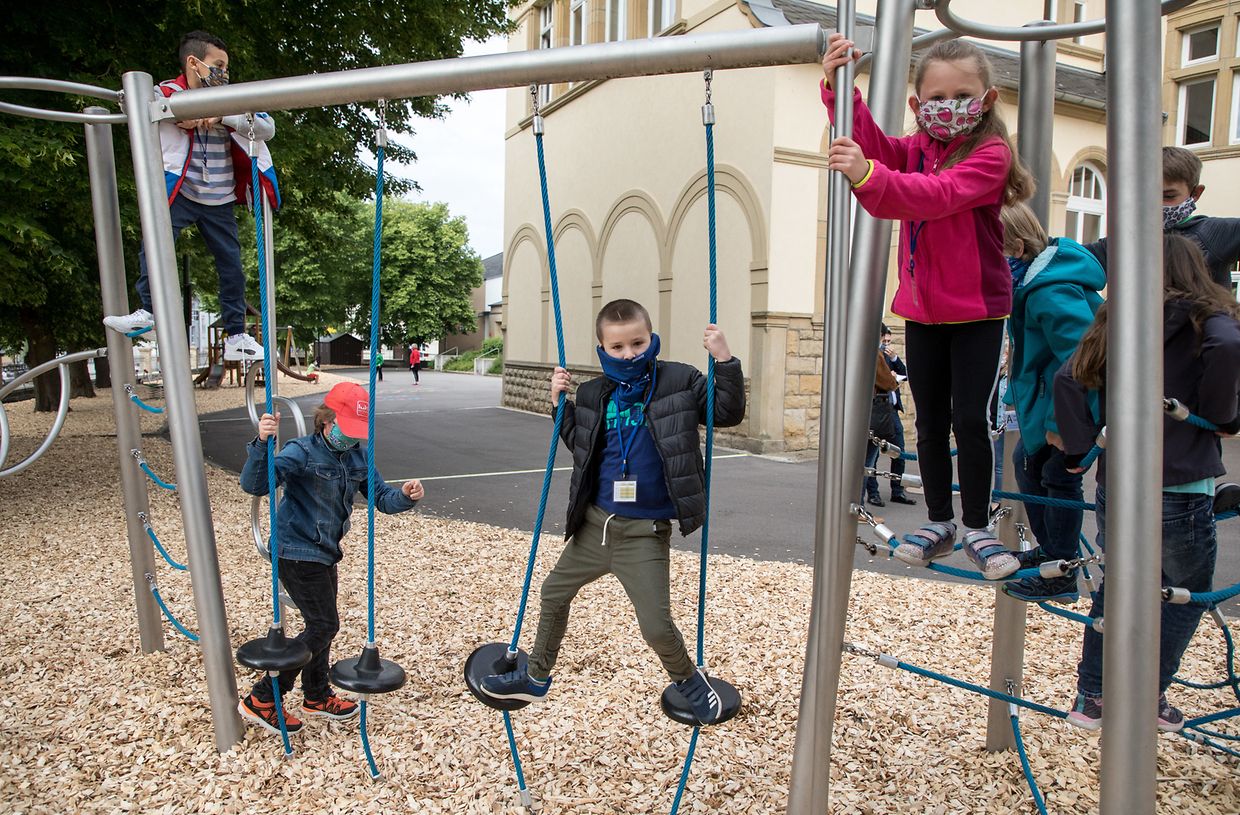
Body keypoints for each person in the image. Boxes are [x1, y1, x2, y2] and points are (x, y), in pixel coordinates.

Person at [822, 35, 1034, 579]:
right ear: (918, 105)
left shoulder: (990, 154)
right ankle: (940, 519)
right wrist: (839, 89)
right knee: (930, 419)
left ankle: (977, 526)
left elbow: (935, 197)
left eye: (962, 93)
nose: (949, 105)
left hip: (977, 311)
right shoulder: (917, 147)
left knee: (970, 417)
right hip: (922, 310)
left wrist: (867, 176)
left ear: (985, 99)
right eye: (936, 96)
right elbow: (873, 148)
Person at [478, 299, 746, 725]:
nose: (629, 354)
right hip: (594, 526)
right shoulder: (592, 391)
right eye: (618, 347)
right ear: (603, 347)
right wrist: (557, 404)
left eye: (638, 343)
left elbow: (728, 414)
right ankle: (536, 678)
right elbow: (580, 443)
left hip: (643, 532)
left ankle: (687, 679)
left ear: (650, 337)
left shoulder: (680, 379)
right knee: (552, 593)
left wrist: (724, 360)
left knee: (656, 627)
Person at [1054, 234, 1240, 732]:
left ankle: (1092, 694)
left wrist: (1079, 448)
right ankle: (1148, 693)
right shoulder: (1207, 316)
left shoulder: (1121, 316)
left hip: (1120, 476)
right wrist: (1222, 414)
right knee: (1184, 589)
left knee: (1116, 584)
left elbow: (1067, 379)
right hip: (1181, 479)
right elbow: (1228, 345)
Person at [236, 381, 424, 733]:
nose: (352, 438)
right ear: (326, 421)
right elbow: (256, 484)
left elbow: (381, 497)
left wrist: (406, 495)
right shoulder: (301, 452)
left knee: (320, 625)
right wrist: (262, 443)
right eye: (347, 429)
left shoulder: (358, 456)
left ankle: (316, 694)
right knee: (324, 625)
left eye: (358, 432)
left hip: (325, 552)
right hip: (295, 550)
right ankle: (263, 698)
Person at [103, 31, 276, 362]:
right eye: (218, 65)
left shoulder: (232, 98)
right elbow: (132, 104)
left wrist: (221, 115)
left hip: (220, 197)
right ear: (194, 64)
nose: (224, 73)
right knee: (154, 245)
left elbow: (266, 127)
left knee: (231, 265)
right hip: (182, 190)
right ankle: (149, 312)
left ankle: (236, 333)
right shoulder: (166, 92)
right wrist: (177, 112)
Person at [997, 201, 1105, 604]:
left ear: (1019, 249)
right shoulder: (1036, 282)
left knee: (1059, 476)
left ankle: (1061, 569)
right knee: (1027, 463)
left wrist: (1064, 426)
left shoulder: (1049, 291)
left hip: (1076, 407)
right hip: (1057, 401)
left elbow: (1082, 359)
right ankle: (1052, 552)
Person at [1084, 146, 1240, 289]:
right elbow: (1069, 258)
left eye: (1168, 196)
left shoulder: (1216, 233)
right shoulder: (1128, 240)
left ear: (1195, 193)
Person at [865, 326, 917, 507]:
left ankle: (897, 490)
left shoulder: (883, 355)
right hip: (876, 410)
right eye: (883, 340)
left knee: (898, 450)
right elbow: (888, 382)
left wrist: (894, 359)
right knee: (870, 457)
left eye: (888, 341)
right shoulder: (875, 354)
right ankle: (869, 496)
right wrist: (893, 379)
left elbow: (904, 372)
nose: (885, 344)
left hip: (889, 410)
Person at [864, 347, 900, 513]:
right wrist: (894, 380)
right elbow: (888, 382)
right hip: (870, 413)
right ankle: (859, 507)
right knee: (867, 463)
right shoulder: (872, 351)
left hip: (852, 413)